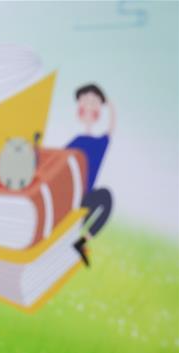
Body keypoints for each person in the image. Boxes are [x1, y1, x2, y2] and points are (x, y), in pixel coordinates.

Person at [67, 83, 115, 266]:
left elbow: (110, 130)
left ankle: (81, 241)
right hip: (69, 197)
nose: (88, 105)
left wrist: (109, 104)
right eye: (85, 101)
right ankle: (70, 237)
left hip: (85, 199)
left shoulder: (99, 143)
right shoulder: (76, 141)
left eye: (93, 102)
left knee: (106, 197)